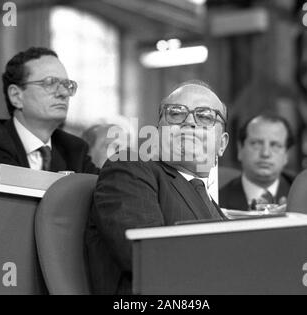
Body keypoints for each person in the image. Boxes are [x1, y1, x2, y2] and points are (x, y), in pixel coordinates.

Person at [85, 80, 229, 294]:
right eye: (176, 113)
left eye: (205, 116)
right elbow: (149, 257)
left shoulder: (209, 201)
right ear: (159, 130)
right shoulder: (130, 167)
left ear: (222, 144)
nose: (189, 122)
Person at [0, 47, 98, 176]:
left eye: (67, 85)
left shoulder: (74, 149)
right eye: (50, 83)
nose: (63, 93)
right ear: (16, 96)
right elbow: (14, 198)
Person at [219, 114, 295, 210]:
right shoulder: (218, 202)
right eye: (256, 143)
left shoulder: (303, 196)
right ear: (240, 149)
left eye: (275, 145)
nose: (265, 153)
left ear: (286, 155)